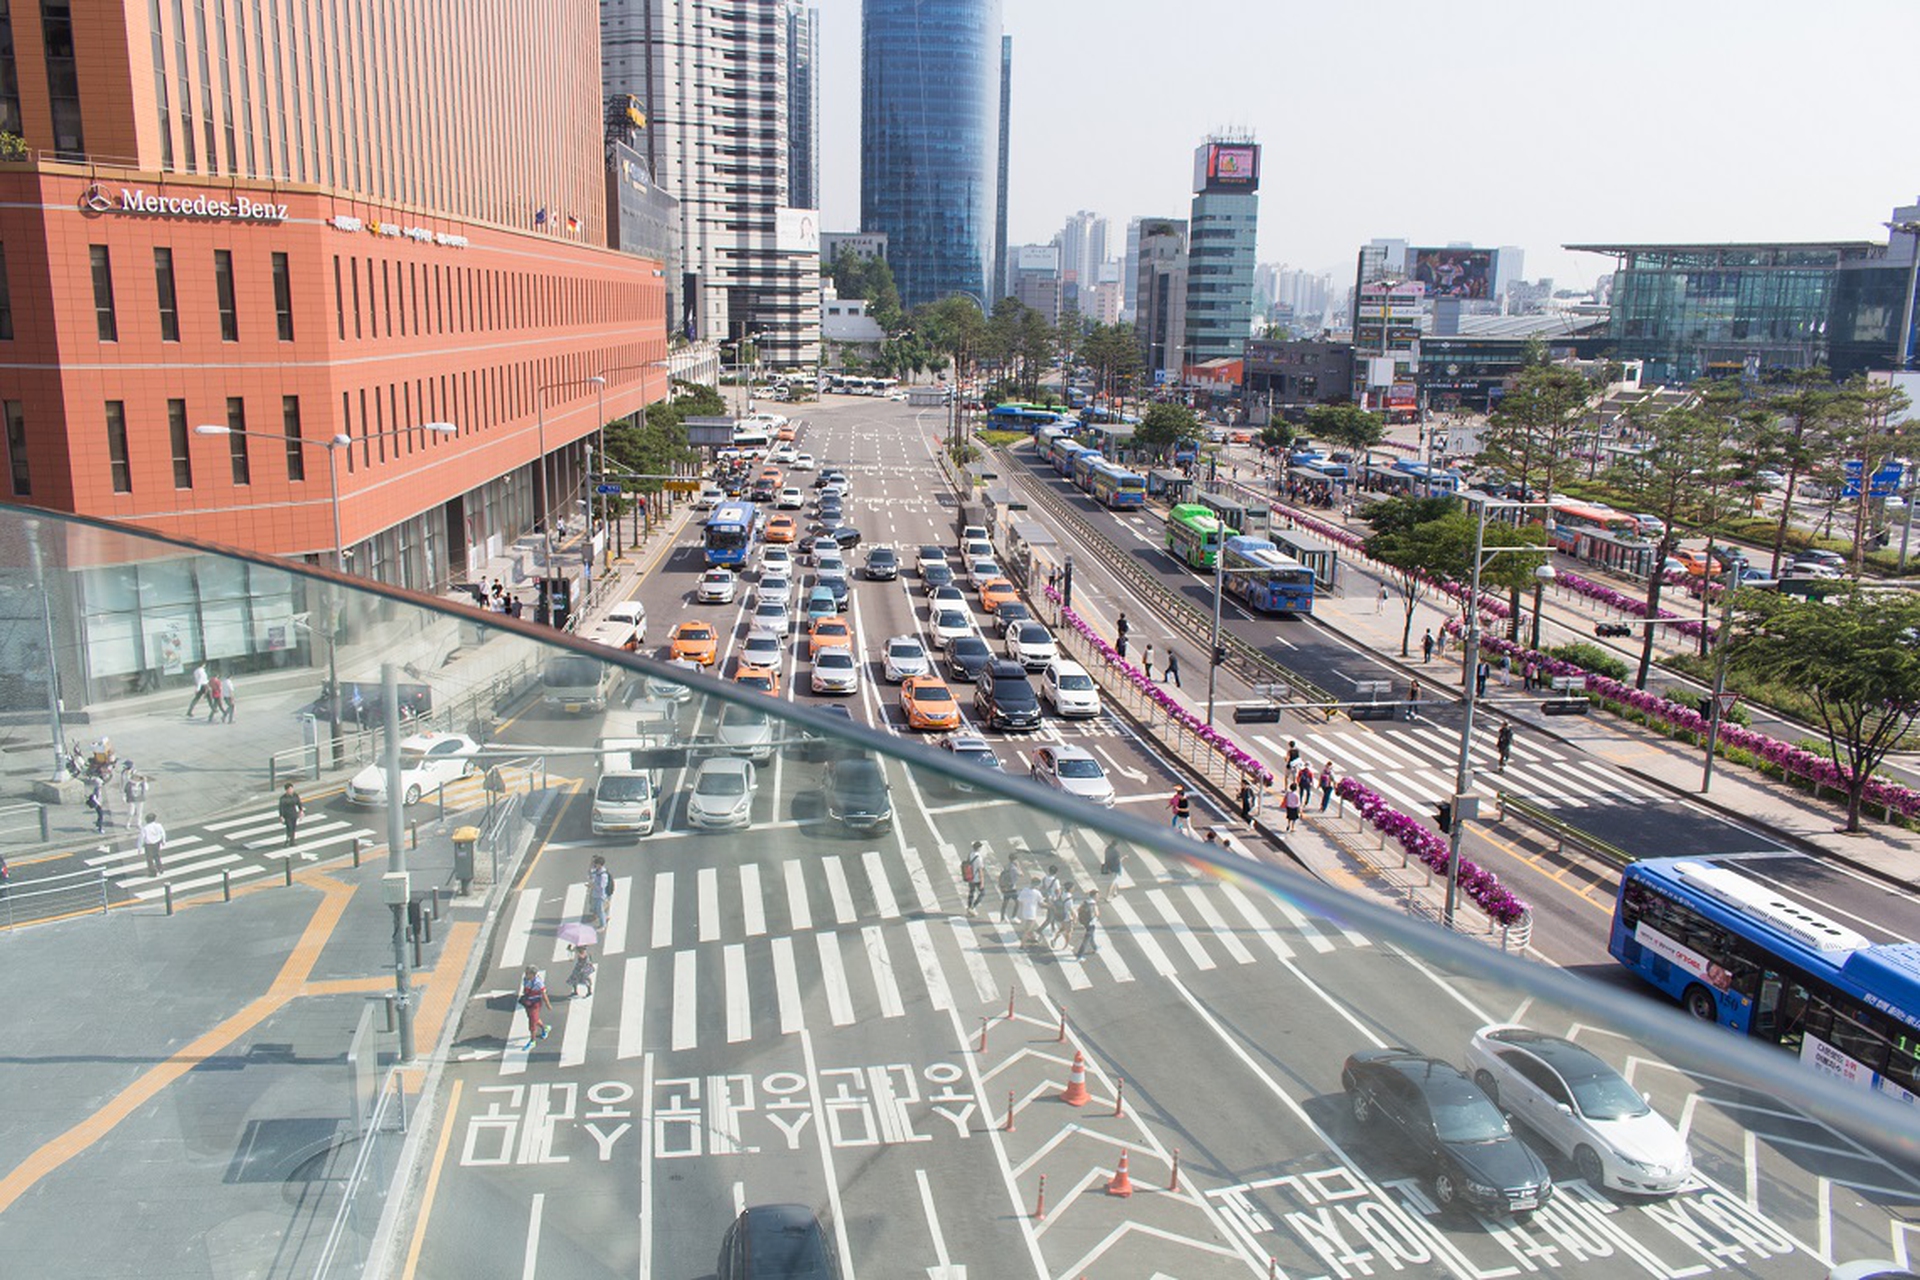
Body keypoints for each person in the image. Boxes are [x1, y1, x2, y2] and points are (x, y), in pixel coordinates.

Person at [518, 965, 551, 1047]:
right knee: (533, 1018)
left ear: (532, 974)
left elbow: (543, 993)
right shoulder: (526, 979)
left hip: (535, 1004)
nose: (525, 974)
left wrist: (548, 1004)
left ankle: (532, 1040)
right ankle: (544, 1028)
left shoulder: (538, 983)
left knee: (532, 1023)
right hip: (528, 1002)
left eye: (527, 973)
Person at [1015, 877, 1045, 946]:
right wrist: (1050, 905)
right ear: (1037, 885)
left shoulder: (1024, 890)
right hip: (1031, 914)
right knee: (1027, 930)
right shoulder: (1037, 893)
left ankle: (1034, 938)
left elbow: (1019, 900)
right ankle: (1022, 946)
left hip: (1024, 913)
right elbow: (1041, 904)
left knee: (1030, 927)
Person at [587, 855, 613, 930]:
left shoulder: (603, 875)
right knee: (594, 907)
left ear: (600, 864)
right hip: (595, 894)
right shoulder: (597, 871)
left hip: (600, 895)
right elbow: (590, 875)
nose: (595, 865)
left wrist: (592, 886)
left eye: (596, 864)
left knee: (600, 910)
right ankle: (605, 917)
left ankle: (603, 925)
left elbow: (602, 887)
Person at [961, 841, 987, 916]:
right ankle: (973, 907)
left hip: (970, 877)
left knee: (971, 892)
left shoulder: (971, 854)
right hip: (976, 879)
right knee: (982, 893)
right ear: (979, 848)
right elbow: (980, 870)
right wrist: (982, 882)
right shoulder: (978, 858)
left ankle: (969, 907)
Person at [139, 812, 167, 877]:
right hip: (157, 843)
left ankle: (152, 872)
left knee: (149, 859)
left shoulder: (145, 828)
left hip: (148, 845)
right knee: (157, 856)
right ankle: (160, 868)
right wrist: (163, 840)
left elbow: (141, 838)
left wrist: (139, 847)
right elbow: (162, 833)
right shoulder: (158, 825)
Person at [1074, 891, 1101, 959]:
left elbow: (1079, 909)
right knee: (1086, 939)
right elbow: (1097, 914)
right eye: (1097, 896)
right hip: (1091, 924)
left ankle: (1095, 947)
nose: (1098, 897)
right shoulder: (1094, 904)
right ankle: (1080, 955)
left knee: (1091, 936)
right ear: (1094, 896)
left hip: (1085, 922)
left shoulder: (1085, 902)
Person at [278, 782, 304, 848]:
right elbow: (280, 807)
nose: (291, 790)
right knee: (289, 828)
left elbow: (299, 803)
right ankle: (287, 840)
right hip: (287, 815)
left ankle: (292, 841)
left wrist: (301, 811)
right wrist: (281, 816)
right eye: (289, 789)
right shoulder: (283, 798)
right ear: (286, 790)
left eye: (291, 789)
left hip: (294, 814)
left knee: (293, 828)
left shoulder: (295, 795)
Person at [997, 855, 1021, 922]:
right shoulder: (1014, 868)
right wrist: (1018, 866)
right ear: (1015, 860)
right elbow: (1021, 874)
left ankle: (1002, 918)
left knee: (1005, 903)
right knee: (1017, 903)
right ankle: (1013, 916)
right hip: (1012, 888)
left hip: (1005, 887)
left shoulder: (1007, 866)